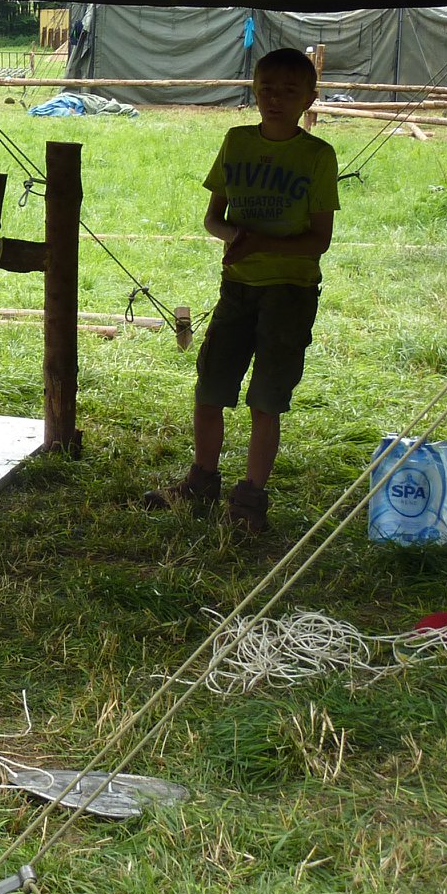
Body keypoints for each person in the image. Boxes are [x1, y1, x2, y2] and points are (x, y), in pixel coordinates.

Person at [145, 47, 338, 533]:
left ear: (309, 99)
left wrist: (257, 241)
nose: (275, 99)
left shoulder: (317, 156)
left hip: (290, 293)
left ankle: (250, 499)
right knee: (211, 386)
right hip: (237, 287)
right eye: (266, 89)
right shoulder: (236, 142)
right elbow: (214, 218)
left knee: (266, 397)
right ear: (254, 91)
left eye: (289, 92)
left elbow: (319, 240)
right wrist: (239, 239)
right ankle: (202, 480)